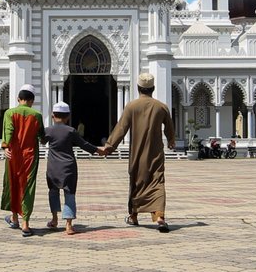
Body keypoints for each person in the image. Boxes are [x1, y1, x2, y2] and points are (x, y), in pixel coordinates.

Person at [104, 72, 176, 233]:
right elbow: (170, 129)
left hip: (137, 153)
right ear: (153, 88)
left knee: (137, 182)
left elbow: (121, 128)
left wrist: (109, 146)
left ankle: (134, 216)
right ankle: (160, 217)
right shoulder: (161, 107)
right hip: (156, 153)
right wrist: (171, 141)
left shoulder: (131, 106)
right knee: (157, 183)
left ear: (138, 88)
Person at [45, 101, 105, 235]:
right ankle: (68, 225)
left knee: (53, 192)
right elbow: (84, 144)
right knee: (69, 194)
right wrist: (98, 151)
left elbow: (41, 140)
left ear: (53, 115)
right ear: (68, 117)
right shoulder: (71, 131)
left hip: (53, 167)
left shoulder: (48, 130)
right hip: (69, 167)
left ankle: (54, 220)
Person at [1, 85, 45, 237]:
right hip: (30, 157)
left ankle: (14, 218)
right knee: (27, 187)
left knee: (13, 184)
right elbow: (42, 136)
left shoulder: (10, 113)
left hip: (13, 155)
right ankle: (25, 223)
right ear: (32, 101)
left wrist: (5, 146)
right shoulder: (37, 115)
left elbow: (9, 131)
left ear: (18, 99)